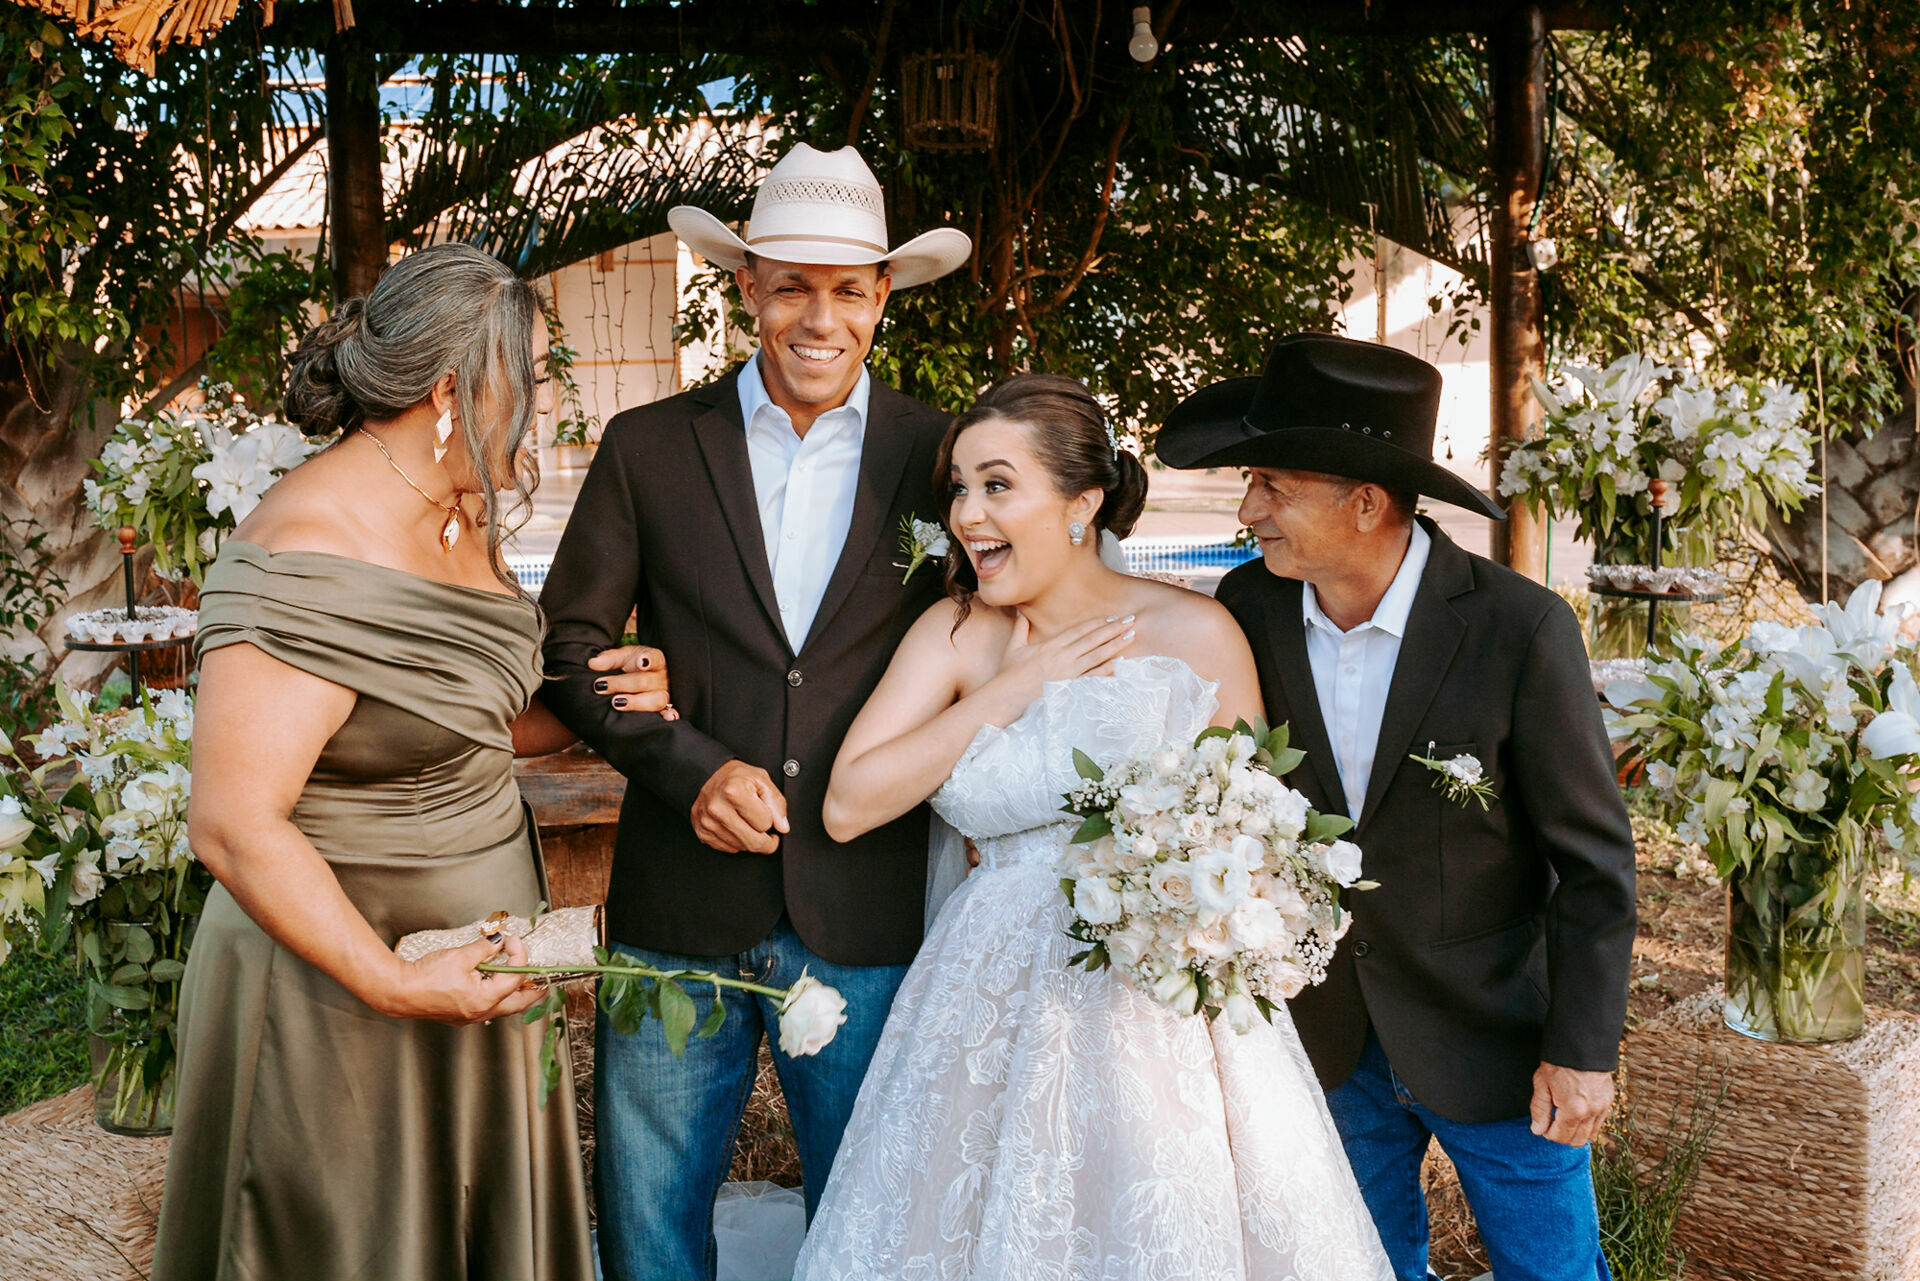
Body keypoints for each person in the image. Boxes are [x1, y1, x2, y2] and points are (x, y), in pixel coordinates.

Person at [791, 373, 1394, 1281]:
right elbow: (849, 803)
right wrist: (1007, 691)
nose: (967, 512)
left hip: (1154, 1012)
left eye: (997, 484)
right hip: (980, 1003)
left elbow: (1254, 834)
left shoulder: (1196, 632)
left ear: (1081, 503)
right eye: (959, 486)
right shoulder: (957, 635)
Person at [154, 243, 658, 1280]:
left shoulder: (458, 512)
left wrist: (607, 699)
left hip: (472, 963)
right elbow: (234, 824)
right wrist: (394, 982)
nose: (539, 406)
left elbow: (460, 718)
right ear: (451, 390)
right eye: (528, 377)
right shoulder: (306, 549)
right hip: (337, 987)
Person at [535, 143, 973, 1280]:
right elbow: (567, 653)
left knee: (871, 1223)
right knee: (647, 1221)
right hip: (676, 903)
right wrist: (687, 764)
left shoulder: (946, 458)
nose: (817, 317)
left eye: (845, 288)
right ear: (746, 289)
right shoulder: (647, 448)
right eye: (791, 284)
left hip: (870, 905)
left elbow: (998, 631)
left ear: (883, 295)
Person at [1157, 333, 1638, 1281]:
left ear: (1365, 501)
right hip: (1327, 1037)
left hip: (1495, 1040)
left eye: (1271, 485)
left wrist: (1582, 1051)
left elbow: (1593, 863)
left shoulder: (1520, 628)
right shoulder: (1247, 605)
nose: (1248, 509)